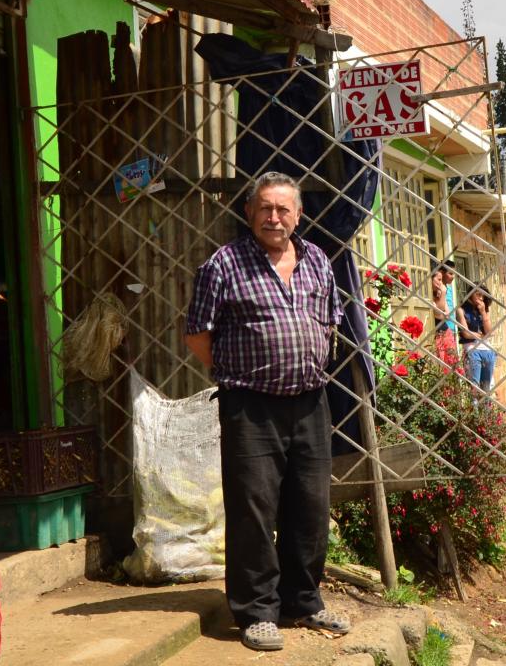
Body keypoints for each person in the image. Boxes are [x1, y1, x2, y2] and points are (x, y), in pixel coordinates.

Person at [184, 172, 351, 652]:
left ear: (298, 215)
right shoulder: (224, 264)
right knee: (253, 510)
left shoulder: (317, 260)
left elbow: (331, 323)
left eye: (282, 209)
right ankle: (256, 611)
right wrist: (239, 373)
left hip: (310, 402)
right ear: (249, 213)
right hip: (251, 406)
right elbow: (197, 334)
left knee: (310, 506)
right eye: (264, 208)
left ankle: (302, 600)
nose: (273, 217)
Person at [459, 287, 496, 392]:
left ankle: (486, 403)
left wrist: (483, 312)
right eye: (478, 294)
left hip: (487, 350)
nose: (481, 298)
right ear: (471, 294)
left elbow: (489, 332)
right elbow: (466, 334)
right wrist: (483, 335)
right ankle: (475, 403)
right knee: (474, 386)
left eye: (483, 296)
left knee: (487, 387)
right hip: (472, 349)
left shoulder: (484, 310)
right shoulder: (461, 310)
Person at [430, 263, 462, 361]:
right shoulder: (433, 295)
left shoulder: (440, 292)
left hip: (446, 329)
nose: (440, 283)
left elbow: (447, 314)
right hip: (437, 331)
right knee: (442, 360)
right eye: (438, 280)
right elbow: (439, 315)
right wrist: (443, 293)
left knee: (451, 359)